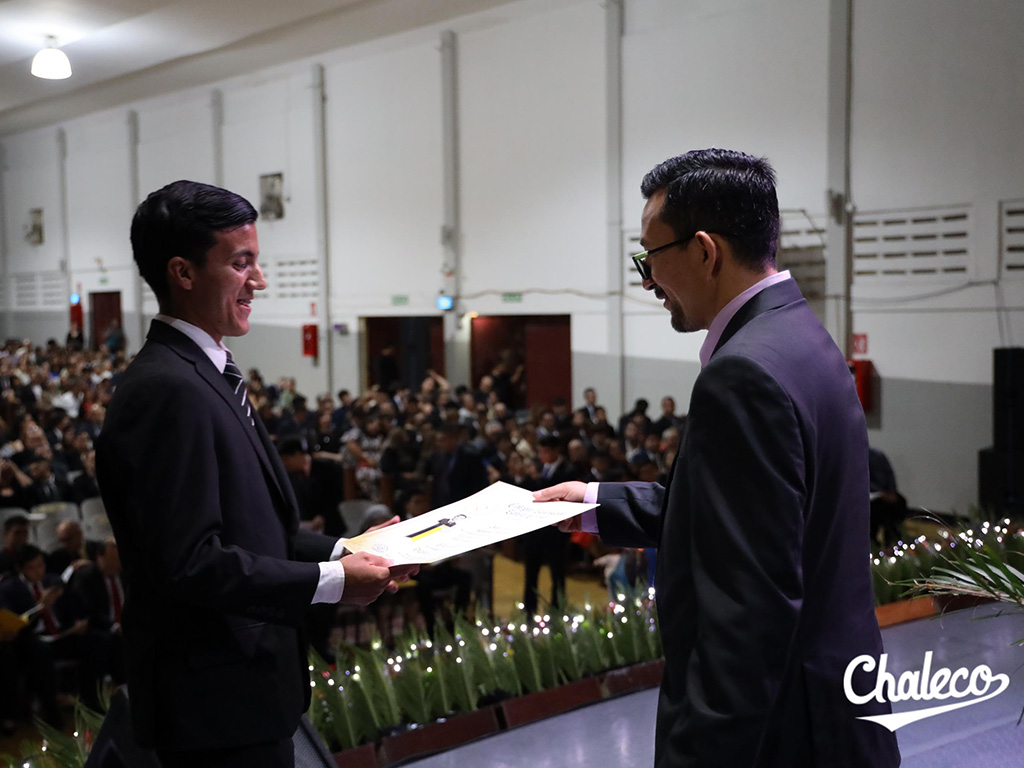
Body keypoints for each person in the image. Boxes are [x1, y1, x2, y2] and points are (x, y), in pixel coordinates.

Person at [536, 150, 899, 767]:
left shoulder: (742, 374)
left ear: (704, 251)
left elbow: (749, 614)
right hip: (837, 706)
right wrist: (596, 502)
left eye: (649, 259)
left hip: (784, 733)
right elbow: (747, 515)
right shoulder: (801, 337)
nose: (648, 282)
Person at [95, 180, 415, 768]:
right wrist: (333, 582)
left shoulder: (206, 372)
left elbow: (259, 528)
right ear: (183, 273)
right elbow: (189, 561)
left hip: (248, 694)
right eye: (241, 263)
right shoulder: (166, 390)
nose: (259, 281)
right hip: (212, 708)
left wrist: (354, 546)